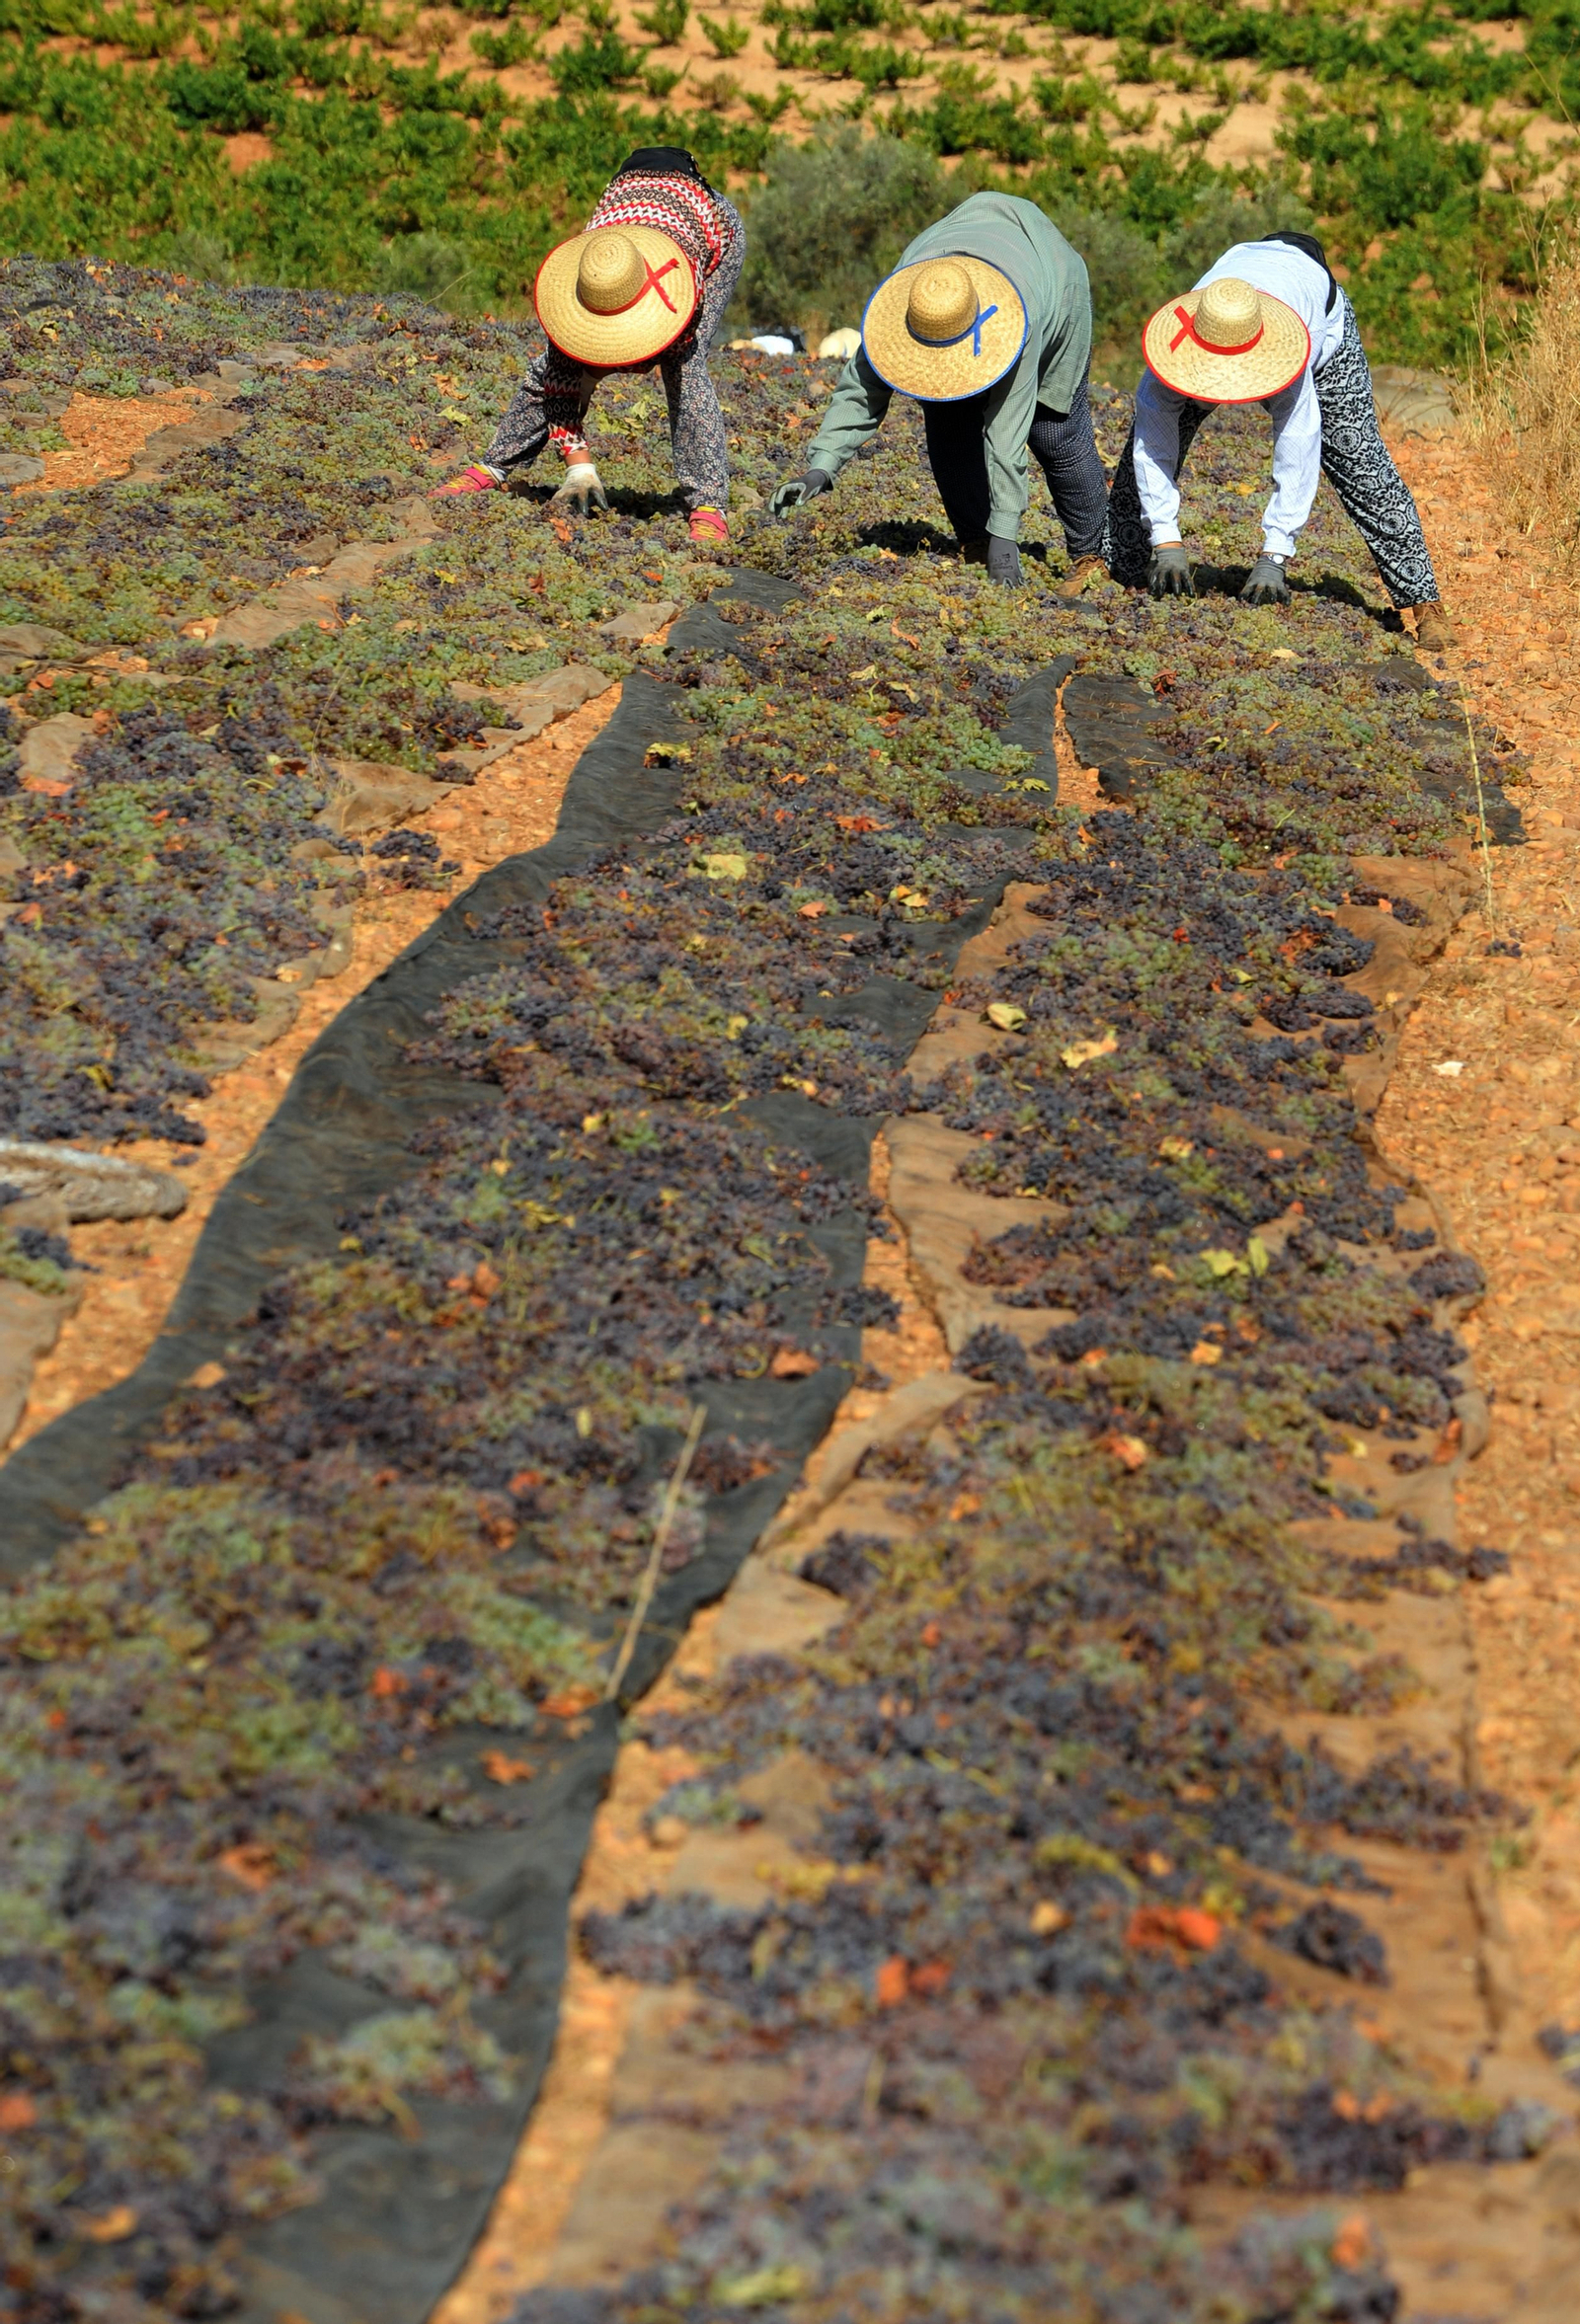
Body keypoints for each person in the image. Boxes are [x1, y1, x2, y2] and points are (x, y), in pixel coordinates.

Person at [1106, 232, 1451, 650]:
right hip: (1241, 296)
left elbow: (1299, 444)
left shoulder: (1292, 349)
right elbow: (1151, 445)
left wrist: (1275, 555)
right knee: (1132, 466)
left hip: (1315, 312)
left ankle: (1425, 604)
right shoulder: (1176, 352)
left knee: (1361, 462)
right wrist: (1166, 539)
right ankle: (1119, 574)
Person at [770, 192, 1108, 593]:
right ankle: (975, 540)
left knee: (1053, 430)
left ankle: (1092, 556)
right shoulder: (912, 301)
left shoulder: (1023, 318)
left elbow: (1005, 437)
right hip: (968, 251)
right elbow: (861, 389)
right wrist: (820, 468)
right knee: (946, 415)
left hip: (1050, 281)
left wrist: (1006, 534)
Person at [436, 146, 744, 550]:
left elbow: (684, 366)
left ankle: (708, 504)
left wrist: (644, 351)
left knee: (685, 369)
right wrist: (578, 466)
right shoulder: (596, 270)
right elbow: (555, 381)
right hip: (626, 217)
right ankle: (495, 465)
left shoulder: (683, 283)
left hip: (707, 238)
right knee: (553, 366)